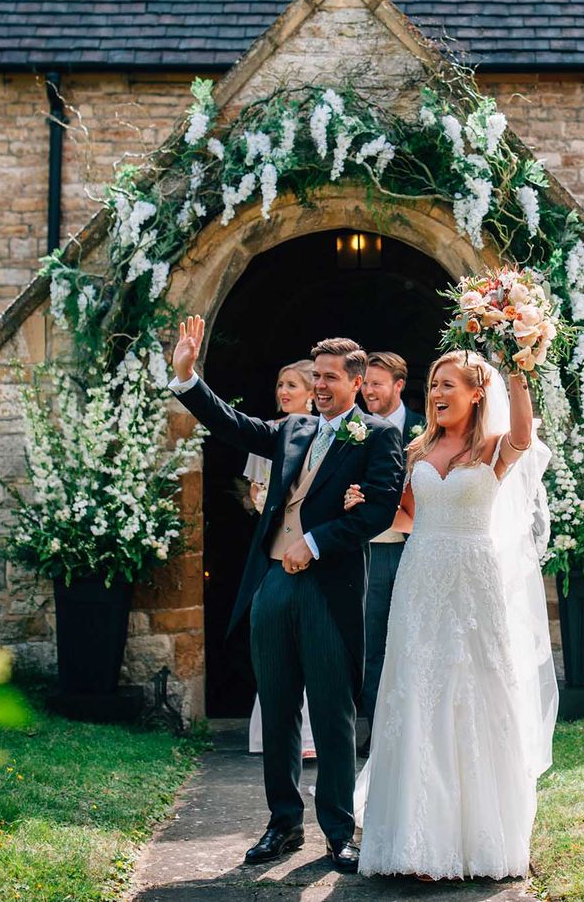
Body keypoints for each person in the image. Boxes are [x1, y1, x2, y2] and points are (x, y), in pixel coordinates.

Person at [169, 318, 403, 873]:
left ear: (354, 381)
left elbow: (378, 510)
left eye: (328, 378)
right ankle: (283, 823)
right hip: (272, 584)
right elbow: (234, 427)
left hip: (328, 590)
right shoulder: (293, 429)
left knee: (332, 714)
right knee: (277, 711)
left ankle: (339, 833)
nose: (318, 386)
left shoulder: (378, 436)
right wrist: (187, 377)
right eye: (315, 377)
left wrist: (317, 543)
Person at [346, 350, 558, 881]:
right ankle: (418, 840)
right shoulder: (419, 447)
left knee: (472, 694)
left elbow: (525, 437)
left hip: (472, 582)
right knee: (417, 693)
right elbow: (408, 517)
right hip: (419, 581)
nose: (436, 393)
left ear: (476, 393)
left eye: (448, 385)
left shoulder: (492, 449)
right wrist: (363, 504)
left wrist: (520, 369)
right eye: (433, 383)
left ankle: (476, 839)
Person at [244, 360, 317, 759]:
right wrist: (260, 502)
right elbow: (254, 496)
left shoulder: (328, 435)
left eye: (291, 385)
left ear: (311, 392)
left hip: (313, 549)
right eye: (279, 384)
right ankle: (269, 735)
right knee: (277, 645)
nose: (283, 391)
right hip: (275, 551)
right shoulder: (267, 432)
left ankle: (308, 735)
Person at [358, 352, 425, 752]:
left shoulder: (424, 429)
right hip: (373, 547)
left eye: (376, 383)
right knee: (371, 643)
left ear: (398, 386)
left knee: (413, 640)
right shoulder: (355, 429)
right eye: (364, 383)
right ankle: (380, 732)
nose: (368, 391)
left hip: (417, 548)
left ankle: (414, 729)